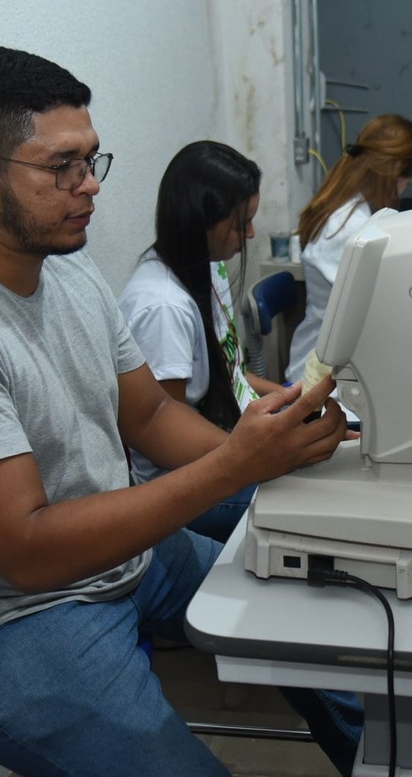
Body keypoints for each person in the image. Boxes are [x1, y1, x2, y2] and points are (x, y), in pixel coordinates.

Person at [0, 47, 363, 777]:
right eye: (62, 167)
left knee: (315, 636)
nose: (90, 187)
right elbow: (26, 550)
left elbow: (148, 414)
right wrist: (235, 466)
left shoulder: (67, 266)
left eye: (92, 160)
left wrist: (263, 453)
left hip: (112, 557)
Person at [118, 141, 279, 541]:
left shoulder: (207, 270)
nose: (251, 233)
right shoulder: (163, 307)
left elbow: (234, 375)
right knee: (300, 500)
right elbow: (165, 435)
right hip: (181, 485)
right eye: (242, 223)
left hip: (218, 454)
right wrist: (255, 458)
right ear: (200, 221)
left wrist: (299, 399)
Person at [284, 113, 412, 384]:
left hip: (324, 361)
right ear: (394, 171)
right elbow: (378, 312)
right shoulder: (347, 228)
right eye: (409, 181)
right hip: (322, 376)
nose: (406, 190)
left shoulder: (343, 209)